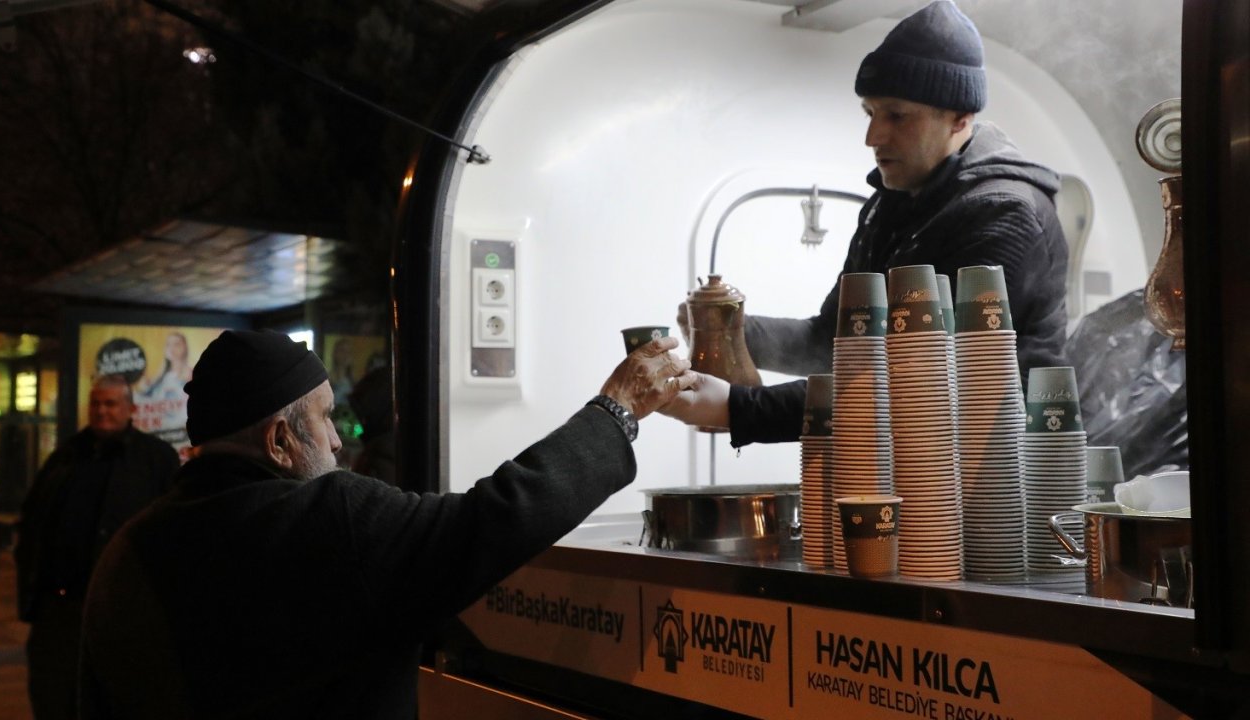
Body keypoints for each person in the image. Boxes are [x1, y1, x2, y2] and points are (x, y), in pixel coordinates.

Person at [78, 329, 695, 719]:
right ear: (279, 441)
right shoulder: (324, 521)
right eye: (323, 420)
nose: (338, 444)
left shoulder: (128, 551)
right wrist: (617, 412)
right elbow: (493, 518)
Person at [668, 0, 1069, 447]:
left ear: (960, 117)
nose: (872, 137)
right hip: (902, 467)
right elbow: (832, 339)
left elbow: (924, 385)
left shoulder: (1004, 216)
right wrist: (730, 328)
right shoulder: (889, 205)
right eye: (869, 112)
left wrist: (738, 408)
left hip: (987, 478)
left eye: (896, 115)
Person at [14, 374, 179, 720]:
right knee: (53, 699)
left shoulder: (156, 460)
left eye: (111, 403)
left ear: (131, 408)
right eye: (96, 403)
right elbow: (32, 523)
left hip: (124, 613)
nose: (101, 411)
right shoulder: (65, 457)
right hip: (59, 612)